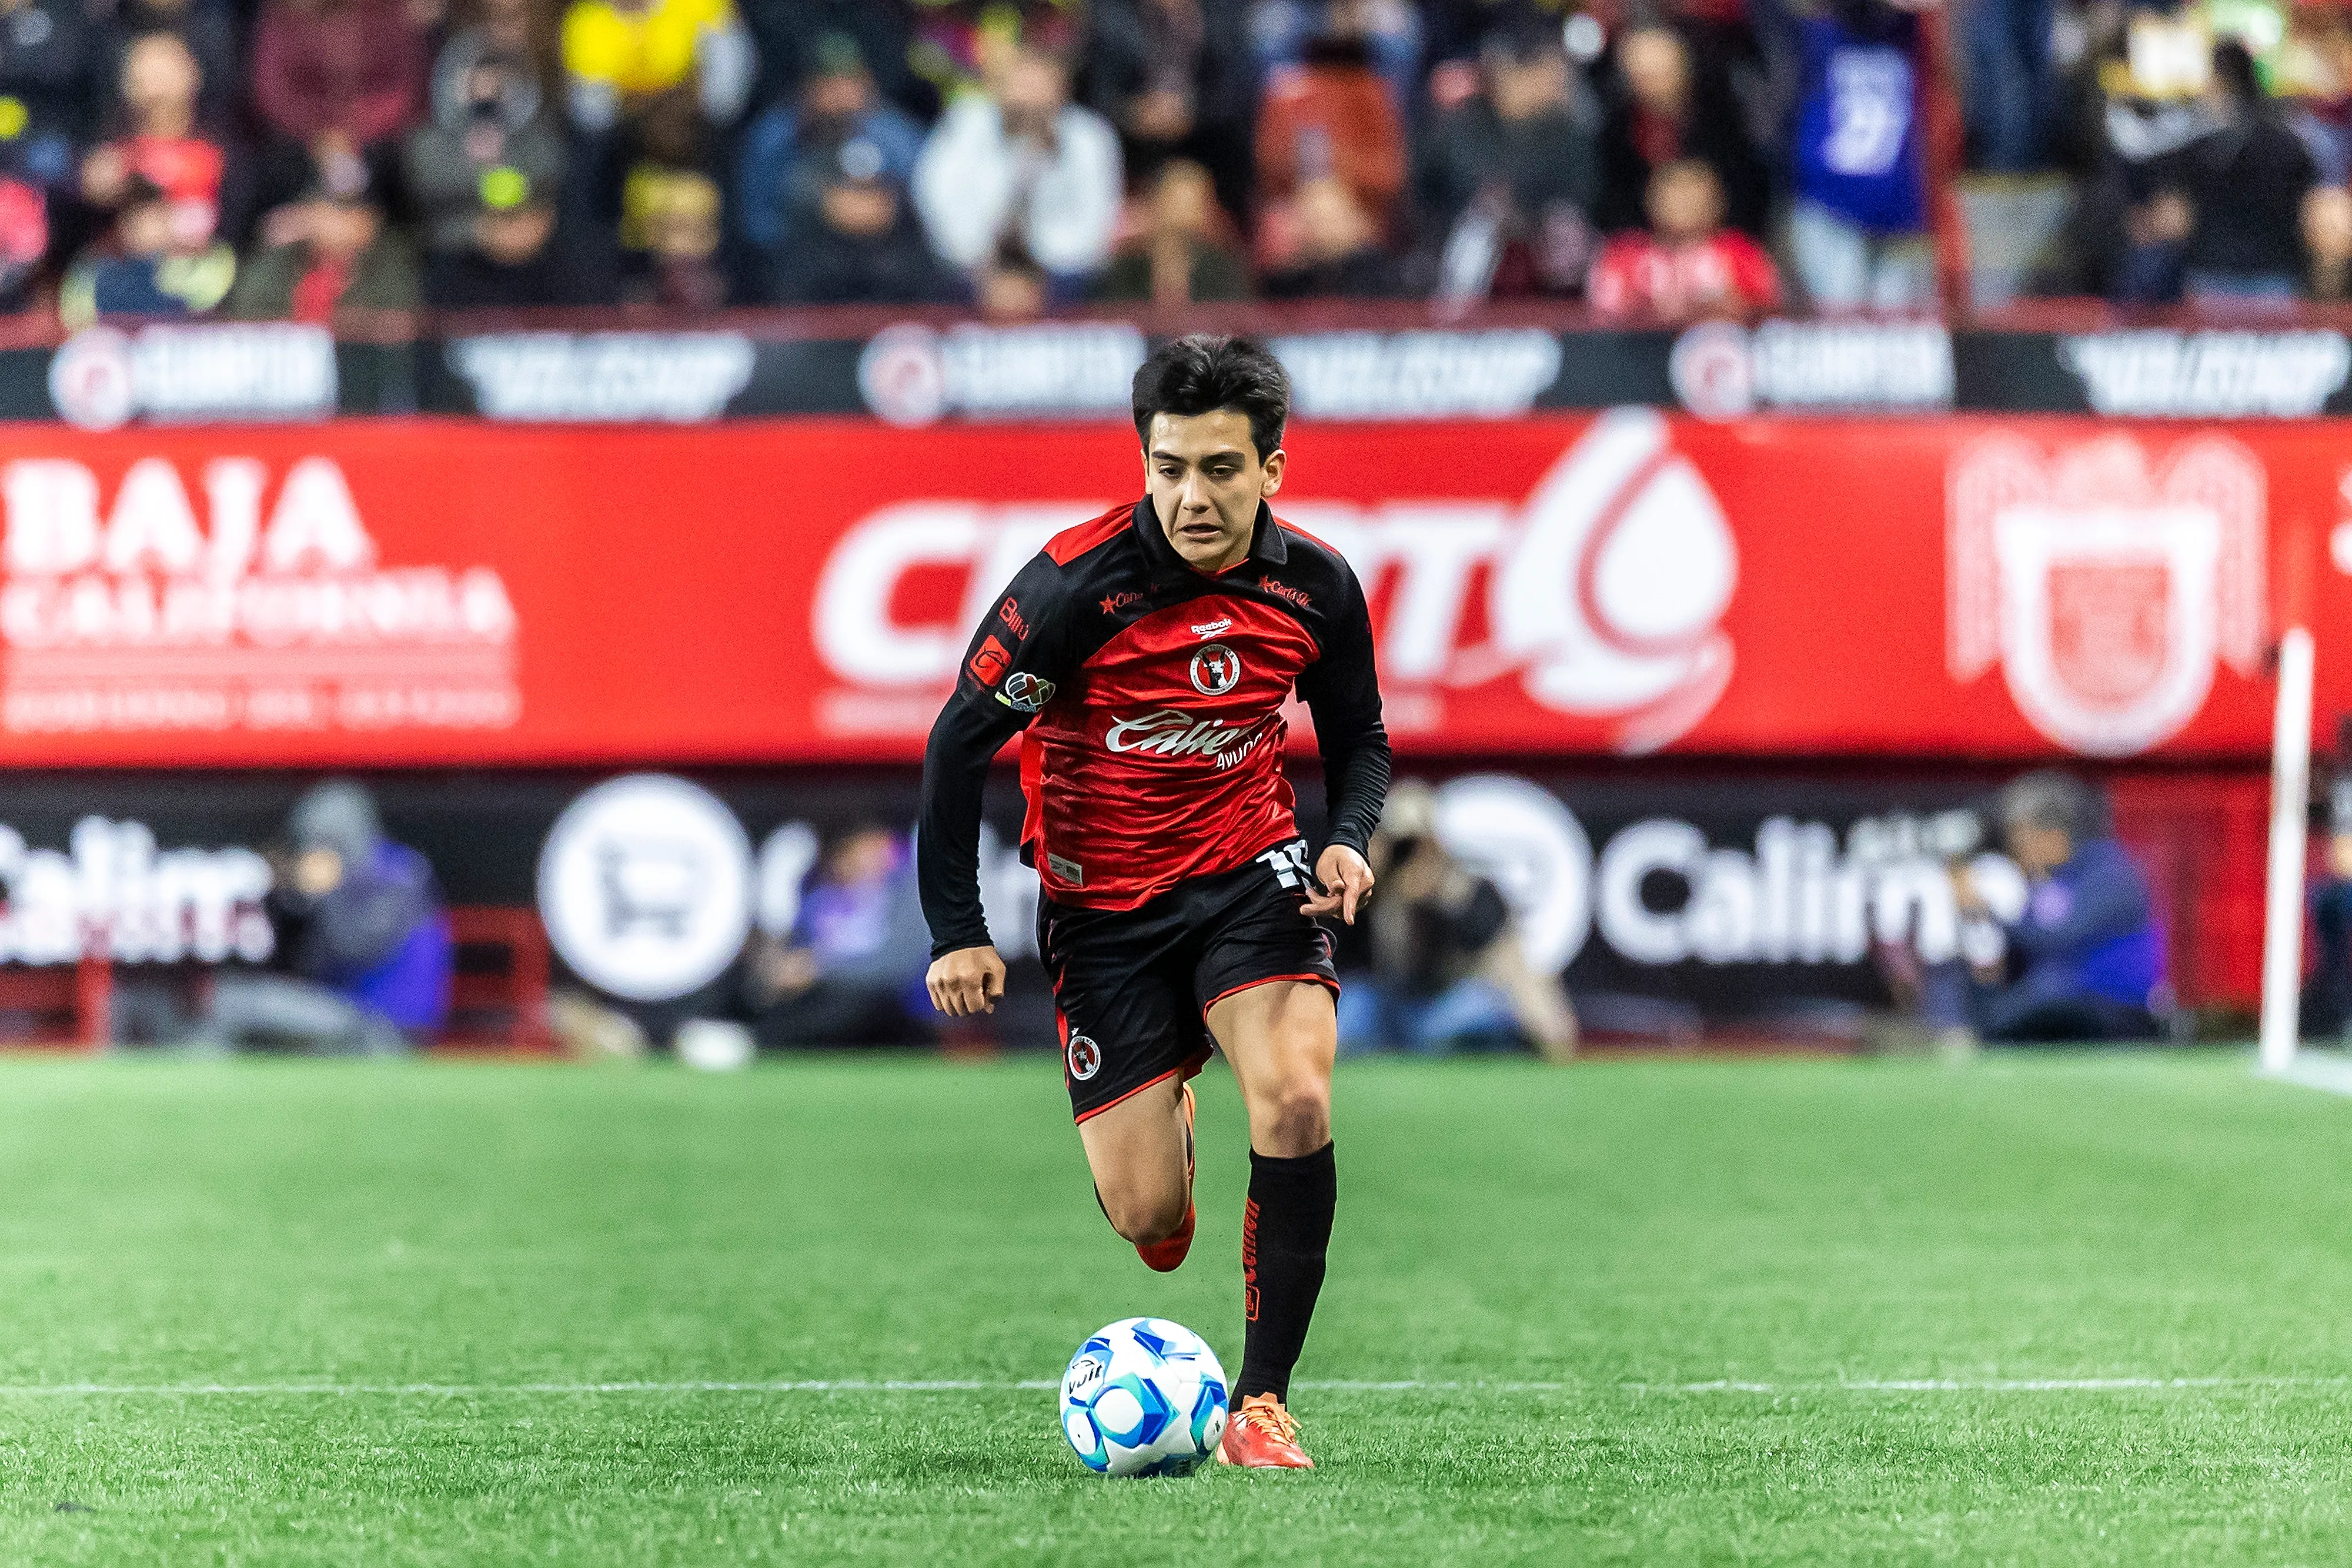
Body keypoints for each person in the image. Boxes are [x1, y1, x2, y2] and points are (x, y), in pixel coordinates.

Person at [919, 334, 1389, 1469]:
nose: (1191, 495)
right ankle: (1166, 1105)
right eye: (1169, 466)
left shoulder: (1315, 584)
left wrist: (1344, 841)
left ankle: (1262, 1405)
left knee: (1296, 1100)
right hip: (1104, 914)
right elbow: (956, 746)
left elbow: (1360, 736)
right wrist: (957, 931)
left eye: (1221, 469)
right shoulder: (1074, 588)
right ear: (1144, 460)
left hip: (1251, 872)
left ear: (1272, 469)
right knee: (1149, 1224)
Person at [197, 779, 453, 1055]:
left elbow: (355, 949)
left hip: (386, 1027)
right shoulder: (352, 873)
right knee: (233, 998)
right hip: (347, 1014)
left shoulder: (398, 874)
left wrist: (322, 892)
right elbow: (302, 962)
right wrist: (286, 896)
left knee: (236, 1002)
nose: (311, 848)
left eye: (319, 838)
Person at [1335, 783, 1575, 1060]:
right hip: (1394, 1006)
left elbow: (1499, 958)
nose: (1409, 855)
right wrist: (1368, 880)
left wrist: (1438, 896)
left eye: (1416, 845)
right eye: (1400, 845)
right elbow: (1343, 951)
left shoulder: (1469, 888)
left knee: (1478, 1008)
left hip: (1447, 1006)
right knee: (1350, 1007)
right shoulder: (1375, 887)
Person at [1943, 771, 2170, 1044]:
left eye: (2022, 838)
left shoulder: (2108, 871)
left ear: (2051, 835)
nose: (2017, 850)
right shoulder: (2045, 879)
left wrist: (1984, 909)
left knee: (2012, 1014)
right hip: (2061, 1000)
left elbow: (2059, 938)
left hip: (2112, 1007)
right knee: (1990, 1005)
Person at [913, 42, 1122, 296]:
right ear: (1000, 88)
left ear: (1061, 91)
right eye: (1021, 85)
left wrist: (1035, 270)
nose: (1027, 99)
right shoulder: (967, 121)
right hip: (970, 268)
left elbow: (1096, 221)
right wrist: (985, 265)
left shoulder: (1088, 135)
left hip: (1060, 273)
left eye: (1039, 88)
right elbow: (936, 196)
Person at [1415, 18, 1601, 302]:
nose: (1559, 78)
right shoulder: (1464, 124)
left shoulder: (1567, 132)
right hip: (1470, 252)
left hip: (1542, 248)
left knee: (1566, 232)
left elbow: (1583, 197)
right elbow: (1426, 195)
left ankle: (1574, 324)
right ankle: (1453, 324)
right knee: (1477, 228)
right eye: (1547, 67)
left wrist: (1528, 213)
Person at [2130, 39, 2318, 305]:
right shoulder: (2291, 148)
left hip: (2219, 280)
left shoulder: (2193, 152)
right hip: (2272, 278)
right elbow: (2312, 220)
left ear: (2221, 82)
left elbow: (2174, 220)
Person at [1782, 0, 1937, 310]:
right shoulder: (1815, 30)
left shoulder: (1916, 31)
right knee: (1840, 330)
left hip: (1902, 214)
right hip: (1829, 209)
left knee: (1903, 334)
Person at [743, 825, 934, 1048]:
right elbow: (800, 949)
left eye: (874, 849)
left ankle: (755, 1041)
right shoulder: (823, 898)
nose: (864, 861)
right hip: (827, 993)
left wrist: (821, 968)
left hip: (891, 1000)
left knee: (853, 1004)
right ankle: (745, 1034)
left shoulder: (908, 897)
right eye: (853, 851)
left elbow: (896, 964)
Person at [403, 44, 567, 257]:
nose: (486, 93)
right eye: (476, 84)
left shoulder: (538, 139)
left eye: (497, 84)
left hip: (532, 256)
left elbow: (549, 185)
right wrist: (479, 231)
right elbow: (425, 222)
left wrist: (529, 228)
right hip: (458, 260)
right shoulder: (429, 144)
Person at [1586, 158, 1780, 318]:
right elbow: (1600, 316)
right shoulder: (1625, 254)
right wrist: (1651, 307)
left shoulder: (1738, 252)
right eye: (1673, 191)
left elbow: (1770, 312)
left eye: (1691, 192)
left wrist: (1721, 306)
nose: (1682, 202)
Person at [225, 157, 416, 317]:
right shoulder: (284, 261)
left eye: (353, 212)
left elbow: (394, 325)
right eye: (332, 211)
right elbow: (247, 311)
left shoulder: (388, 262)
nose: (340, 223)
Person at [1095, 156, 1250, 305]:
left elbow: (1232, 321)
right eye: (1177, 203)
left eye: (1193, 204)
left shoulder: (1222, 267)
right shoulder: (1127, 265)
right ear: (1156, 202)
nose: (1185, 215)